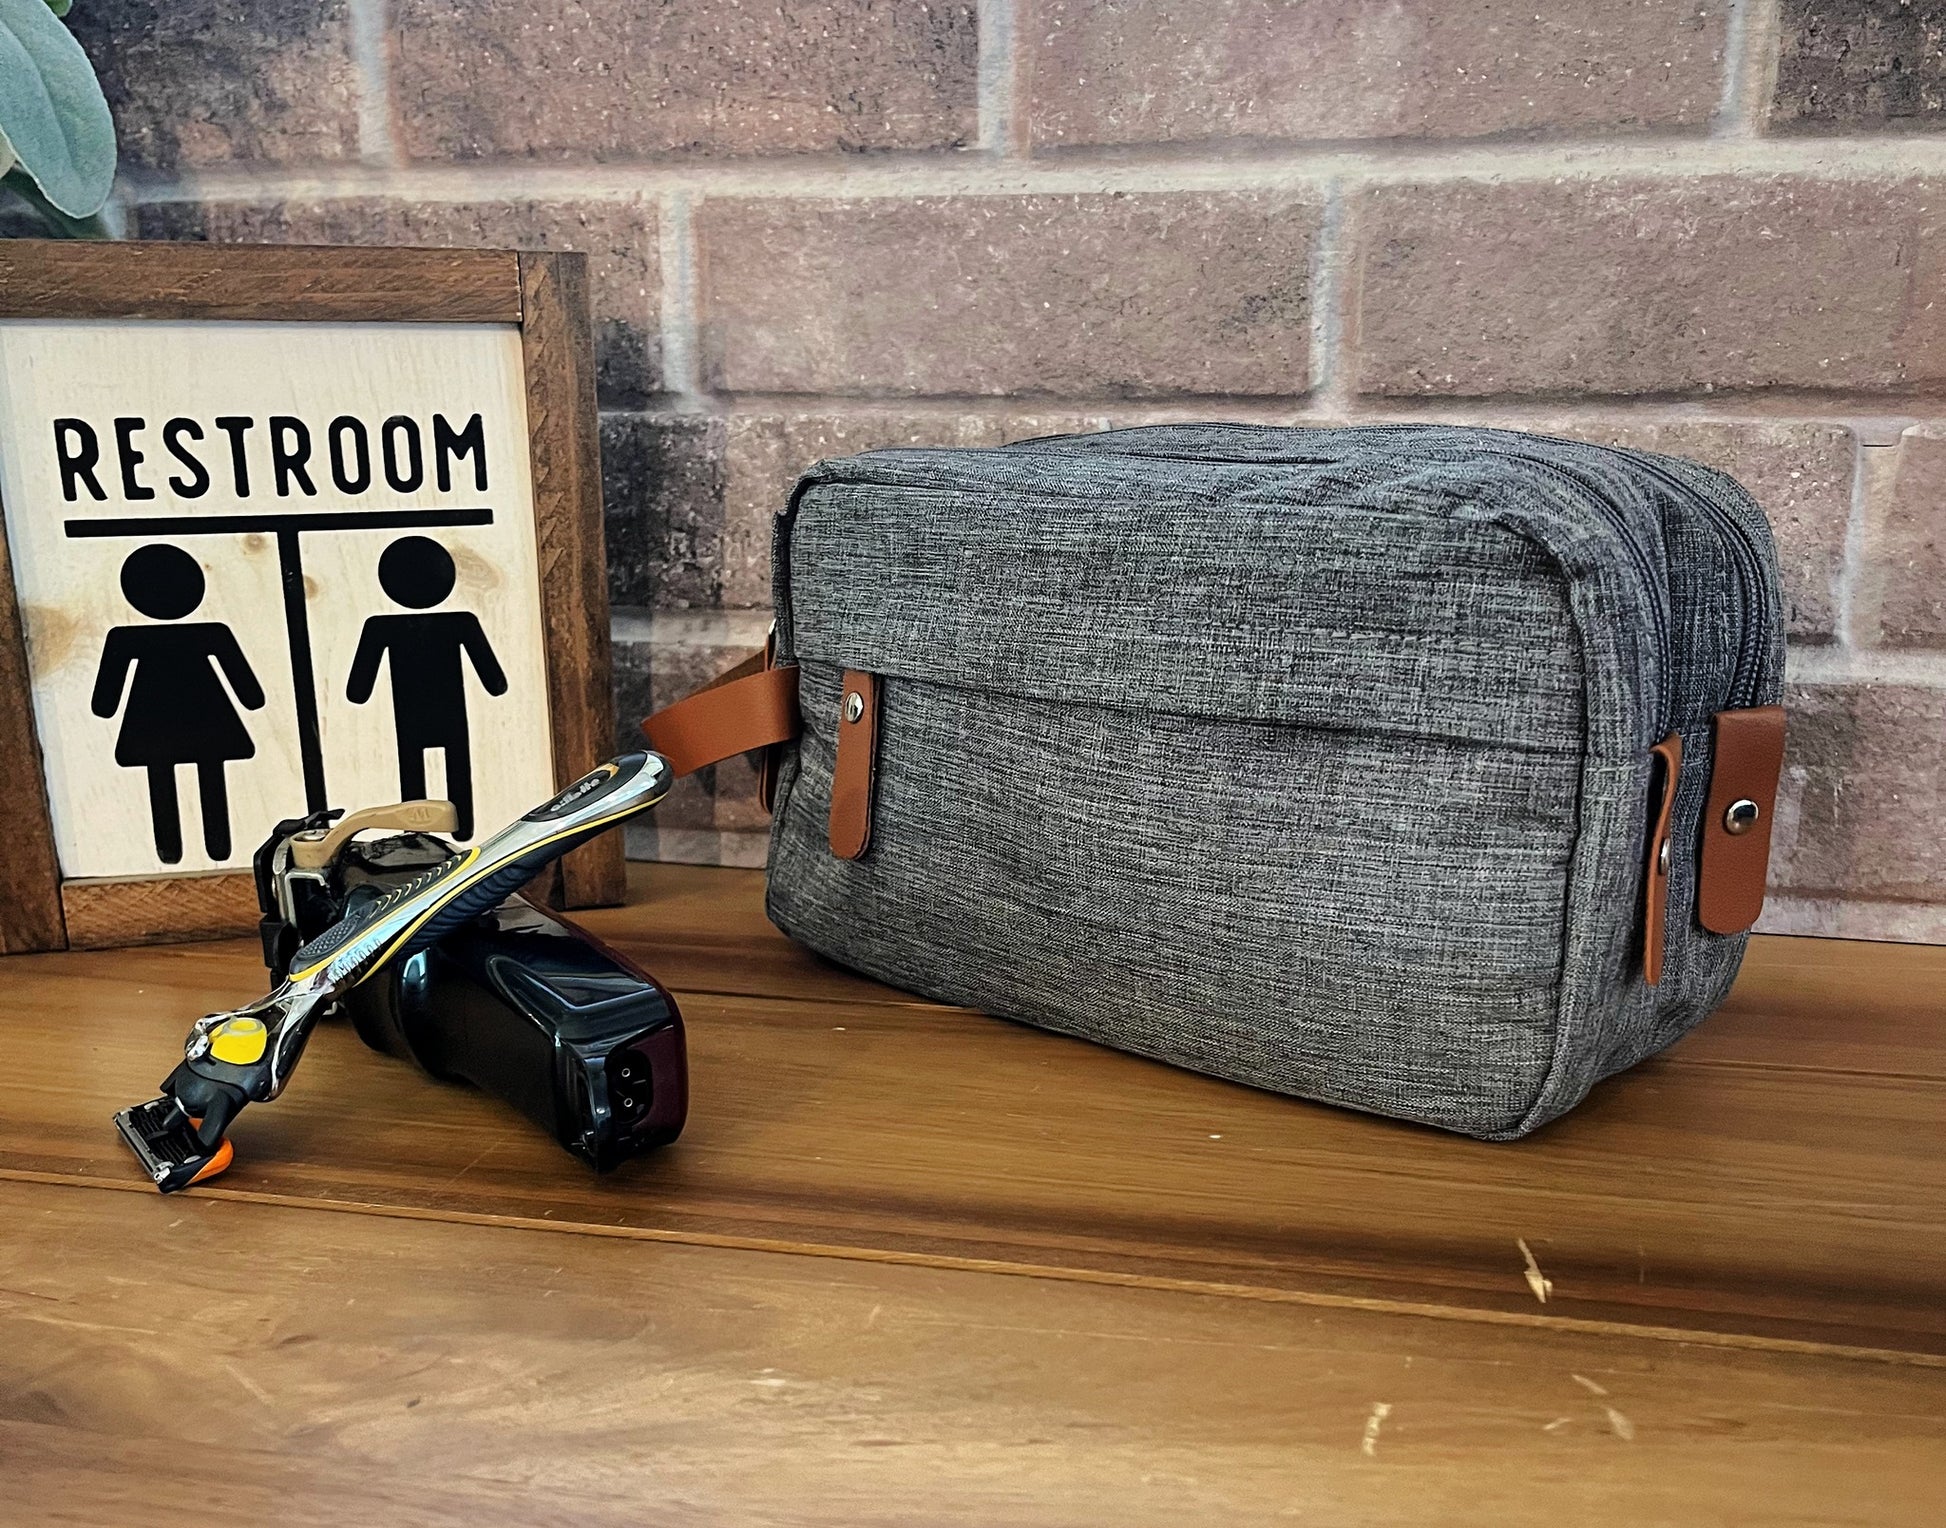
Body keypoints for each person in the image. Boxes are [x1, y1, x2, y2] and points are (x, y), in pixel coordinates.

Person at [91, 543, 266, 864]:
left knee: (164, 776)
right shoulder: (209, 633)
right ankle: (214, 845)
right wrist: (251, 698)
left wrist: (106, 705)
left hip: (151, 720)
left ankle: (176, 848)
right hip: (208, 713)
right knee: (205, 773)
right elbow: (246, 687)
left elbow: (106, 698)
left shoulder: (130, 639)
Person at [346, 535, 508, 839]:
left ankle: (417, 832)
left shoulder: (382, 628)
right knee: (455, 764)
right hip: (447, 711)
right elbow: (494, 679)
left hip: (411, 713)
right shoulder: (460, 623)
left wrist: (360, 692)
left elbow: (358, 686)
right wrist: (494, 684)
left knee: (413, 769)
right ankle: (460, 829)